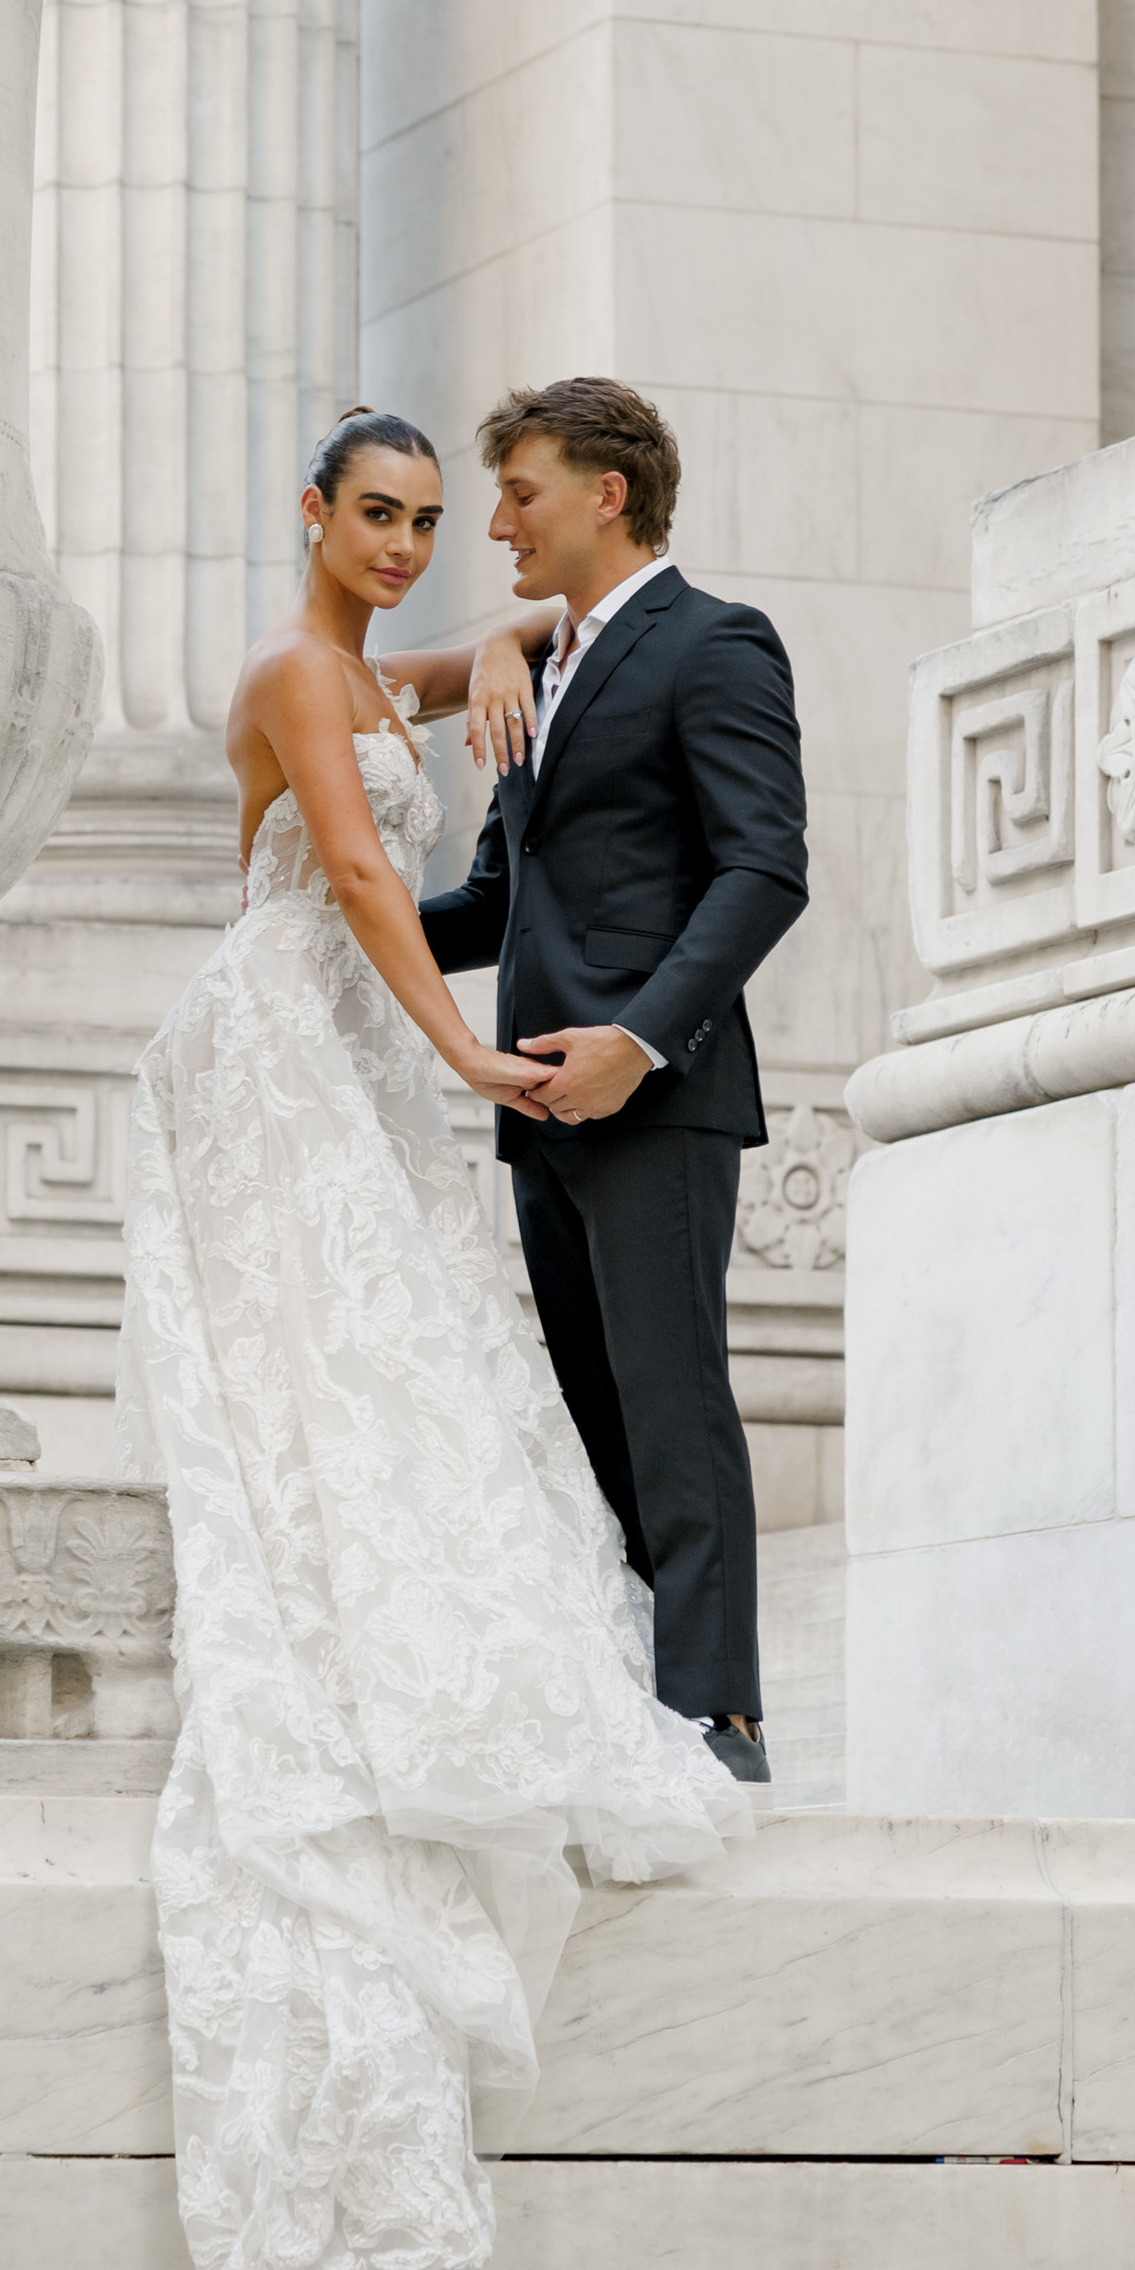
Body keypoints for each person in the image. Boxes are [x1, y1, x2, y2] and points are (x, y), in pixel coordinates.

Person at [115, 403, 753, 2270]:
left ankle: (665, 1695)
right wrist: (463, 1056)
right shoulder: (285, 675)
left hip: (358, 1051)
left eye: (434, 519)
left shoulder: (374, 666)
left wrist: (495, 655)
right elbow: (361, 878)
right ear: (308, 511)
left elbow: (489, 655)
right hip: (290, 1045)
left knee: (412, 1363)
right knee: (330, 1369)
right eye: (377, 515)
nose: (411, 543)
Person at [421, 378, 809, 1777]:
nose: (499, 528)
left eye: (520, 495)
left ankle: (720, 1717)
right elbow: (497, 900)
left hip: (652, 1097)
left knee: (672, 1401)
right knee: (592, 1419)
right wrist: (335, 923)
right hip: (538, 1110)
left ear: (609, 493)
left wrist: (636, 1045)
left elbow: (766, 867)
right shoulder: (538, 669)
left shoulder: (718, 643)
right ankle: (633, 1705)